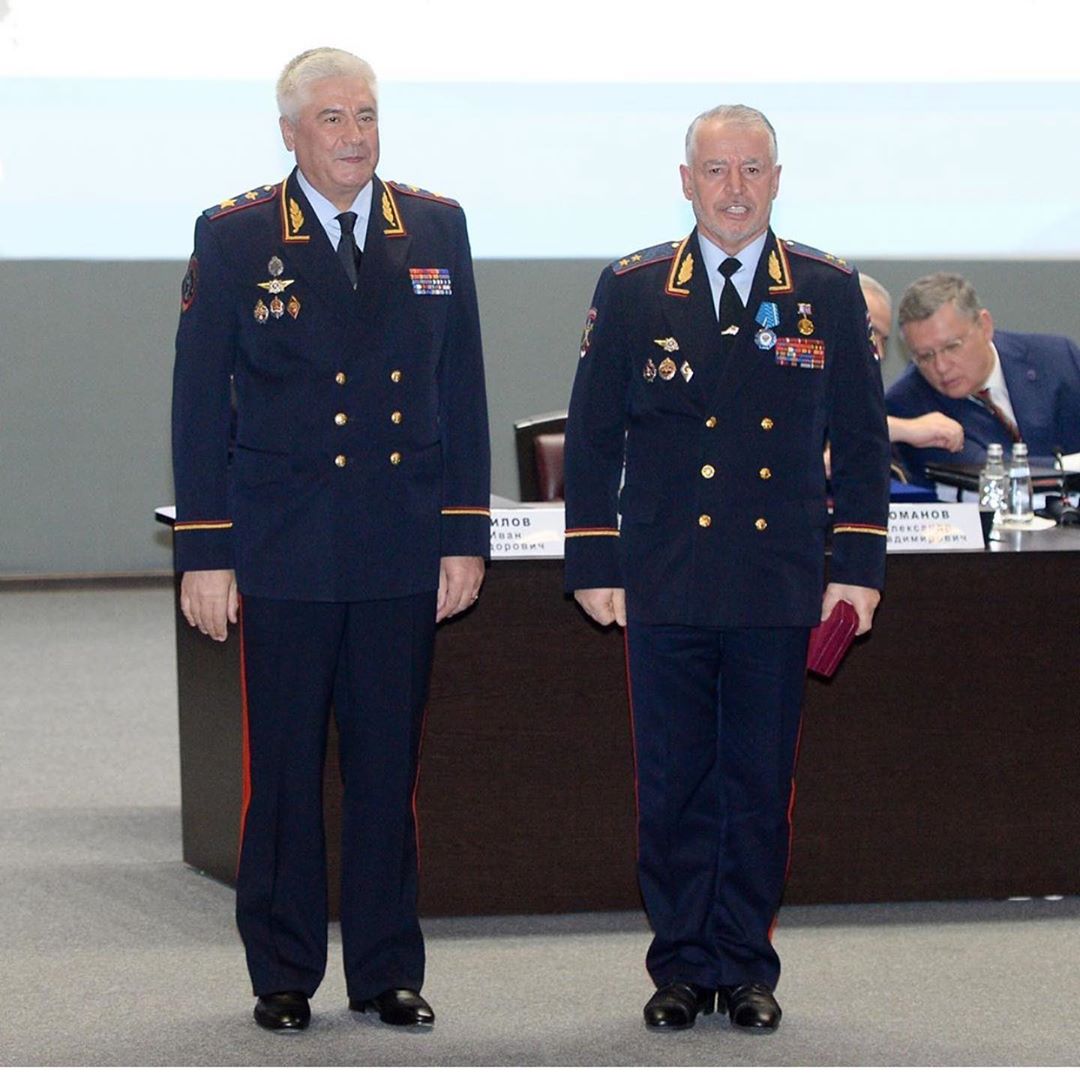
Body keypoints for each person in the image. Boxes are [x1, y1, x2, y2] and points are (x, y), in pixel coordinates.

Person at [171, 47, 490, 1033]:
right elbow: (198, 401)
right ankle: (283, 969)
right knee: (284, 770)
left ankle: (387, 967)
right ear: (290, 134)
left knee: (388, 766)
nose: (354, 137)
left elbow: (462, 386)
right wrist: (207, 550)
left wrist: (463, 533)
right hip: (286, 544)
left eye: (366, 117)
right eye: (332, 120)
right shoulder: (235, 235)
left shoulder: (433, 225)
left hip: (398, 540)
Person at [564, 105, 890, 1034]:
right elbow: (591, 435)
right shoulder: (633, 287)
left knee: (756, 785)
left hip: (776, 578)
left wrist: (857, 565)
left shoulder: (826, 288)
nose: (735, 189)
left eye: (752, 169)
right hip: (665, 574)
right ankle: (678, 965)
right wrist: (592, 556)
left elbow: (862, 441)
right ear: (687, 182)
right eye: (716, 171)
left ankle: (745, 964)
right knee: (672, 785)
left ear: (777, 179)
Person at [886, 272, 1080, 486]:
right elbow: (988, 471)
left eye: (951, 347)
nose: (941, 367)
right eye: (925, 356)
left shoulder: (1058, 359)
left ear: (985, 326)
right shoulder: (908, 404)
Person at [858, 273, 964, 479]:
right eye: (871, 333)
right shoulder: (795, 380)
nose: (880, 353)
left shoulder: (863, 396)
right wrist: (906, 429)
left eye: (884, 340)